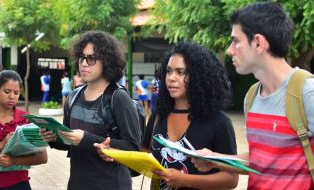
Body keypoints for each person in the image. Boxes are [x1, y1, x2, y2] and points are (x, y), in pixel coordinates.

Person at [192, 2, 314, 190]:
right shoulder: (251, 96)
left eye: (236, 41)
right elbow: (260, 160)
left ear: (258, 43)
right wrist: (215, 159)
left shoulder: (306, 92)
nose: (230, 50)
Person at [96, 41, 239, 189]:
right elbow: (146, 159)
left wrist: (184, 180)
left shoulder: (219, 122)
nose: (171, 77)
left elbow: (231, 179)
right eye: (169, 71)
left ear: (200, 76)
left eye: (181, 72)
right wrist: (116, 155)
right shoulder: (159, 115)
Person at [39, 31, 141, 190]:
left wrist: (85, 139)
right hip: (78, 184)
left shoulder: (118, 98)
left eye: (91, 58)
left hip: (111, 185)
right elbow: (69, 142)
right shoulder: (74, 96)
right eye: (81, 57)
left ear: (107, 62)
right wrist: (53, 138)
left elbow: (133, 148)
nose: (84, 63)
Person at [0, 70, 47, 190]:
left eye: (16, 93)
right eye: (7, 92)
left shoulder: (26, 119)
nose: (12, 96)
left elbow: (42, 157)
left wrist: (14, 160)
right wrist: (3, 143)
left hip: (19, 184)